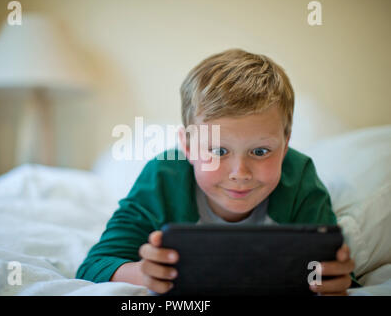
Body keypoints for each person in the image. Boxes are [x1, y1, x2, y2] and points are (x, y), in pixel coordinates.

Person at [76, 48, 356, 295]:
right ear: (187, 147)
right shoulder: (162, 177)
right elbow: (95, 265)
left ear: (285, 146)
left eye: (260, 152)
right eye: (218, 151)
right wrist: (143, 273)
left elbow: (337, 274)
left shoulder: (301, 178)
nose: (240, 173)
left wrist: (332, 281)